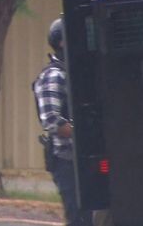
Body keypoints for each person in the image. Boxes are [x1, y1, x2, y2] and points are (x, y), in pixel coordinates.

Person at [33, 18, 94, 226]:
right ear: (61, 42)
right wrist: (84, 135)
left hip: (84, 158)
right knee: (78, 217)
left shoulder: (77, 73)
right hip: (66, 159)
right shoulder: (53, 76)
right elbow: (52, 122)